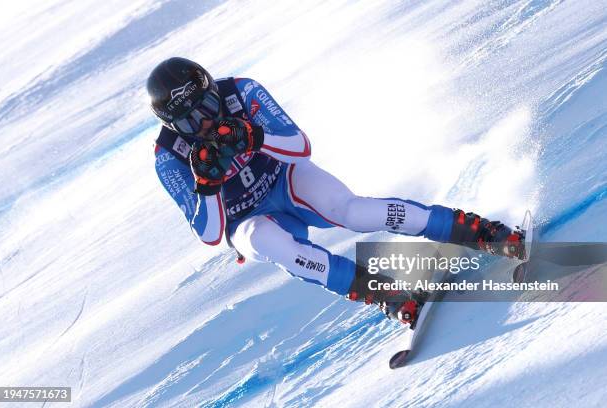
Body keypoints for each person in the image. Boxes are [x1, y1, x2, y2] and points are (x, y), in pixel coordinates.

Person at [148, 57, 526, 324]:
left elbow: (299, 146)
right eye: (191, 120)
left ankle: (478, 231)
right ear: (173, 125)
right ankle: (386, 295)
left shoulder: (241, 92)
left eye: (208, 106)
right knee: (277, 247)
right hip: (249, 221)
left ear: (215, 90)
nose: (207, 122)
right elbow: (211, 234)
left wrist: (254, 136)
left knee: (354, 212)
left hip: (285, 179)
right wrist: (208, 184)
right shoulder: (169, 155)